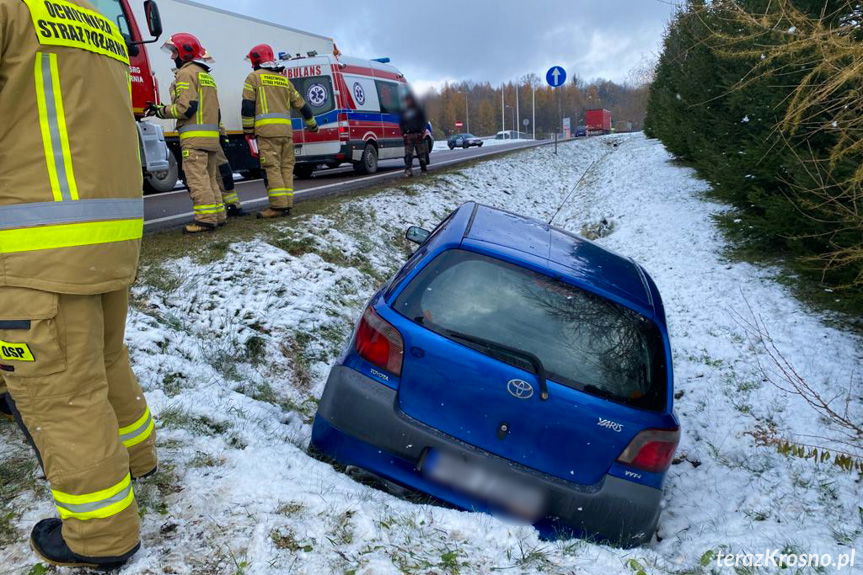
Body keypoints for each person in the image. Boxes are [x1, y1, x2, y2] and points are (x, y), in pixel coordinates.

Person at [0, 0, 157, 568]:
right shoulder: (91, 18)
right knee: (105, 360)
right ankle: (138, 458)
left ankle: (101, 537)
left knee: (63, 396)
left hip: (29, 254)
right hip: (102, 240)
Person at [147, 33, 226, 233]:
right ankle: (218, 215)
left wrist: (160, 110)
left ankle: (205, 220)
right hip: (210, 138)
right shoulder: (206, 75)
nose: (172, 57)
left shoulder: (186, 73)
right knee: (210, 179)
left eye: (174, 52)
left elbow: (184, 108)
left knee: (198, 180)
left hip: (194, 138)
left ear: (185, 52)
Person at [241, 43, 318, 219]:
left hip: (267, 133)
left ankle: (277, 207)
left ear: (255, 61)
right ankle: (287, 204)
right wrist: (312, 125)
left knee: (272, 168)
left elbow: (247, 106)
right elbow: (302, 105)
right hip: (286, 133)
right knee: (286, 168)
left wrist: (248, 130)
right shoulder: (284, 80)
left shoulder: (253, 78)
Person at [400, 93, 428, 177]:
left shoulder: (419, 111)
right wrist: (404, 134)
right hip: (408, 136)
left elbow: (423, 122)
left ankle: (423, 170)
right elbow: (401, 123)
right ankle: (408, 171)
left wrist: (422, 133)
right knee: (408, 155)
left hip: (418, 135)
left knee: (421, 154)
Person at [217, 126, 243, 216]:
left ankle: (233, 206)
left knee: (224, 173)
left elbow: (218, 120)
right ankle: (229, 207)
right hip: (204, 141)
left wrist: (223, 135)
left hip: (211, 141)